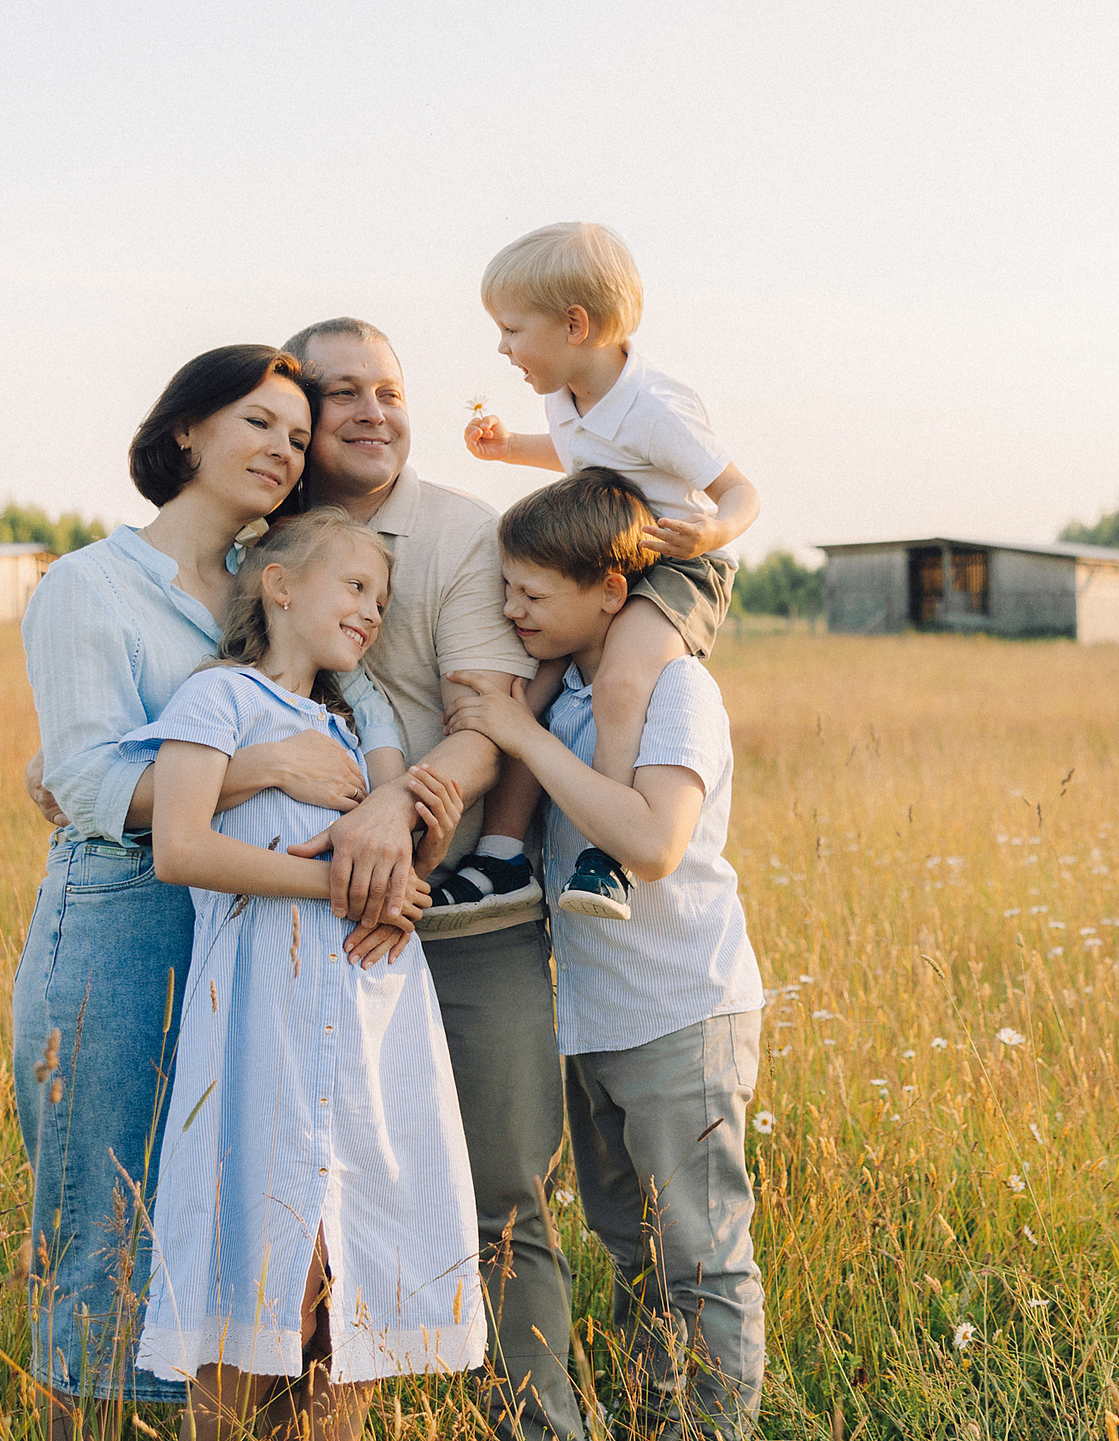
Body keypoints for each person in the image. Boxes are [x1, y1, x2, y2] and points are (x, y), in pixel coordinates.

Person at [14, 344, 426, 1429]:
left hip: (256, 946)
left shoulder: (273, 571)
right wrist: (266, 770)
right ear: (187, 429)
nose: (284, 451)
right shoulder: (89, 587)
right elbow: (87, 779)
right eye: (259, 424)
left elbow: (366, 709)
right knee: (107, 1221)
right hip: (124, 920)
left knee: (228, 1221)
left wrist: (381, 815)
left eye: (297, 436)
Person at [276, 317, 587, 1441]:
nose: (373, 411)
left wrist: (386, 813)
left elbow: (483, 722)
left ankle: (539, 1424)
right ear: (300, 413)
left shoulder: (464, 531)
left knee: (503, 1194)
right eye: (343, 392)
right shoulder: (256, 536)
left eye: (390, 390)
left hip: (466, 916)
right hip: (298, 922)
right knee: (304, 1203)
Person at [127, 509, 481, 1439]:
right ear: (280, 587)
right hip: (261, 1020)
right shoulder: (219, 700)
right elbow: (180, 845)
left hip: (371, 1018)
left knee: (350, 1278)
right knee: (257, 1262)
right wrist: (331, 884)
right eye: (356, 587)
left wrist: (400, 881)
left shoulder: (357, 726)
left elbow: (398, 848)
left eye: (383, 599)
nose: (372, 611)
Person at [445, 469, 767, 1439]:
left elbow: (652, 842)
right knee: (631, 1248)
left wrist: (519, 735)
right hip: (592, 1017)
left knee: (701, 1259)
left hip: (680, 1010)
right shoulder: (573, 691)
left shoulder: (675, 689)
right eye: (507, 591)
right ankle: (648, 1419)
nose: (513, 611)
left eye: (532, 595)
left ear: (610, 594)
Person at [460, 222, 763, 924]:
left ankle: (609, 855)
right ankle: (502, 854)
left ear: (575, 325)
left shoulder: (656, 407)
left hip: (680, 567)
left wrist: (711, 530)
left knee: (622, 680)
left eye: (511, 330)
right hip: (614, 561)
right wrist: (510, 450)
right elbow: (577, 453)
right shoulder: (566, 396)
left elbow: (742, 491)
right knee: (532, 681)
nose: (502, 348)